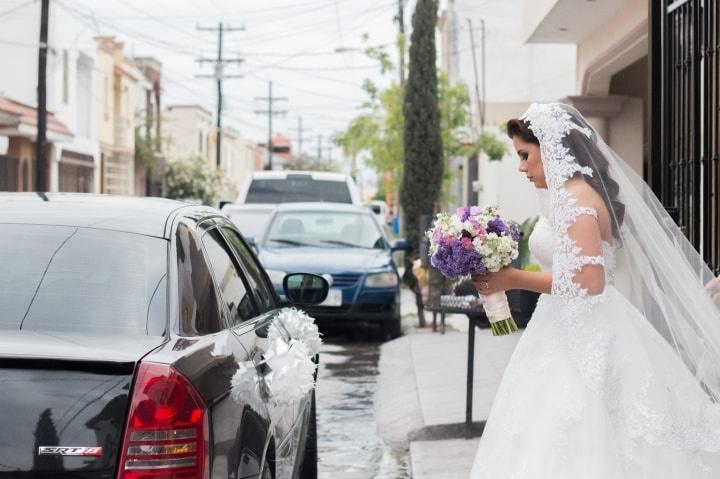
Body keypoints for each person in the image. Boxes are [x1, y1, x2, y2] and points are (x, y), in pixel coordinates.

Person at [469, 103, 720, 478]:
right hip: (564, 325)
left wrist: (513, 279)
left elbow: (588, 281)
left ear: (552, 148)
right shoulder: (569, 196)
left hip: (588, 333)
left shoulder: (576, 200)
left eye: (525, 155)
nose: (521, 167)